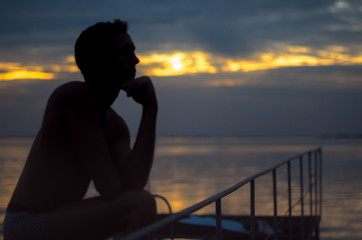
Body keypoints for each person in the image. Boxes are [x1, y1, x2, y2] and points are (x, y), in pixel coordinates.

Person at [4, 19, 158, 240]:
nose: (135, 59)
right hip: (28, 226)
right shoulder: (73, 97)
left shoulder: (116, 126)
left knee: (139, 200)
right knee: (140, 204)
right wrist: (126, 190)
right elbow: (110, 188)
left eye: (133, 52)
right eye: (124, 52)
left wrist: (150, 109)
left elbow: (134, 183)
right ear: (97, 63)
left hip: (60, 220)